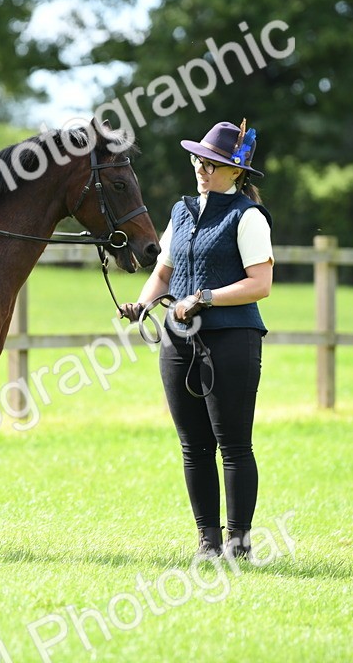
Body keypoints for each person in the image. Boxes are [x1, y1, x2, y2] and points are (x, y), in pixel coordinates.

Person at [119, 119, 273, 561]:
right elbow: (164, 271)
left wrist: (204, 297)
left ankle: (238, 544)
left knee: (234, 445)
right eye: (199, 160)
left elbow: (259, 284)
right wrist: (144, 304)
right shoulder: (182, 211)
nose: (202, 168)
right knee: (193, 445)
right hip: (178, 339)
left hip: (232, 338)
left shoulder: (248, 217)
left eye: (213, 163)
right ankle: (208, 541)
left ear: (237, 172)